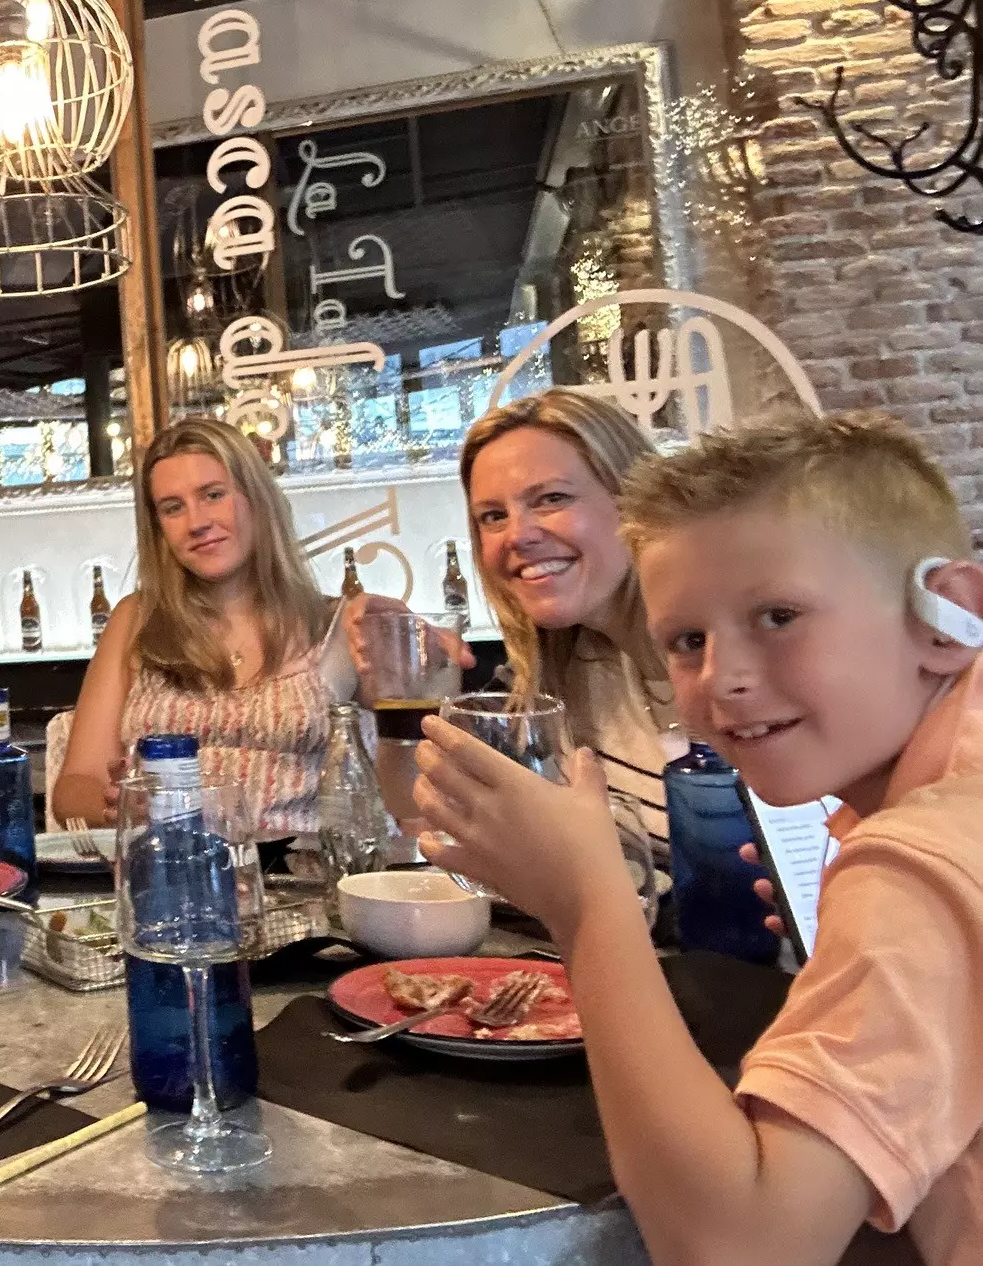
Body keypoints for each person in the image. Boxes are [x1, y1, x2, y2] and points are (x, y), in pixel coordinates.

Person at [414, 412, 983, 1266]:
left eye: (779, 616)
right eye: (688, 641)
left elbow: (741, 1247)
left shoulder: (919, 866)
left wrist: (587, 903)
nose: (724, 680)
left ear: (948, 617)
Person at [53, 416, 370, 837]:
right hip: (173, 875)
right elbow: (75, 787)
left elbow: (405, 770)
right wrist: (114, 804)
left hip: (300, 876)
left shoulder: (334, 623)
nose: (196, 521)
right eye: (173, 508)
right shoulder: (136, 619)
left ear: (257, 499)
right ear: (159, 529)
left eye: (213, 495)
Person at [458, 387, 680, 834]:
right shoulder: (560, 674)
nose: (517, 536)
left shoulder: (744, 669)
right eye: (493, 516)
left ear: (635, 499)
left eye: (551, 499)